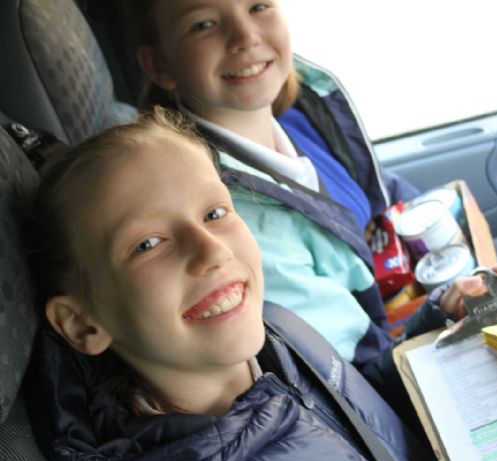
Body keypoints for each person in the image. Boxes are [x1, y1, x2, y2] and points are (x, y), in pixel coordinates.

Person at [23, 108, 454, 461]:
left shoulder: (273, 326)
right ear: (83, 324)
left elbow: (361, 417)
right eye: (148, 244)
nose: (212, 251)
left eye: (214, 213)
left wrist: (438, 327)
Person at [119, 0, 465, 414]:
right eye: (204, 24)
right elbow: (356, 380)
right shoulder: (237, 221)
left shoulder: (301, 117)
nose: (246, 36)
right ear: (159, 65)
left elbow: (379, 194)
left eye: (258, 6)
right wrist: (439, 313)